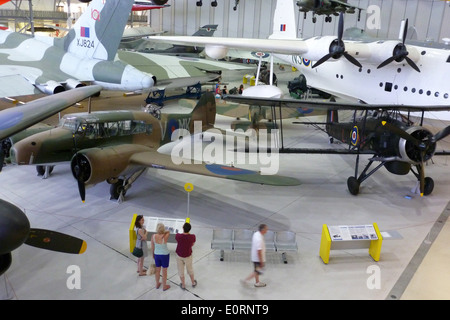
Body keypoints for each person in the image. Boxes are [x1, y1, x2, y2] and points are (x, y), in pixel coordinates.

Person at [175, 222, 197, 290]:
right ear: (189, 229)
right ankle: (193, 282)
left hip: (179, 255)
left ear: (183, 228)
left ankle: (183, 285)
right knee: (190, 269)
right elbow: (192, 244)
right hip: (188, 255)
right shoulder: (192, 236)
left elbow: (177, 237)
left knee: (180, 270)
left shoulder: (178, 236)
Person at [151, 223, 171, 290]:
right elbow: (169, 231)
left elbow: (152, 246)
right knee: (164, 271)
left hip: (157, 255)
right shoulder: (165, 236)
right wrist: (163, 232)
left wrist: (153, 255)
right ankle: (164, 286)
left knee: (157, 270)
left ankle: (157, 284)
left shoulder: (153, 236)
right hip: (165, 255)